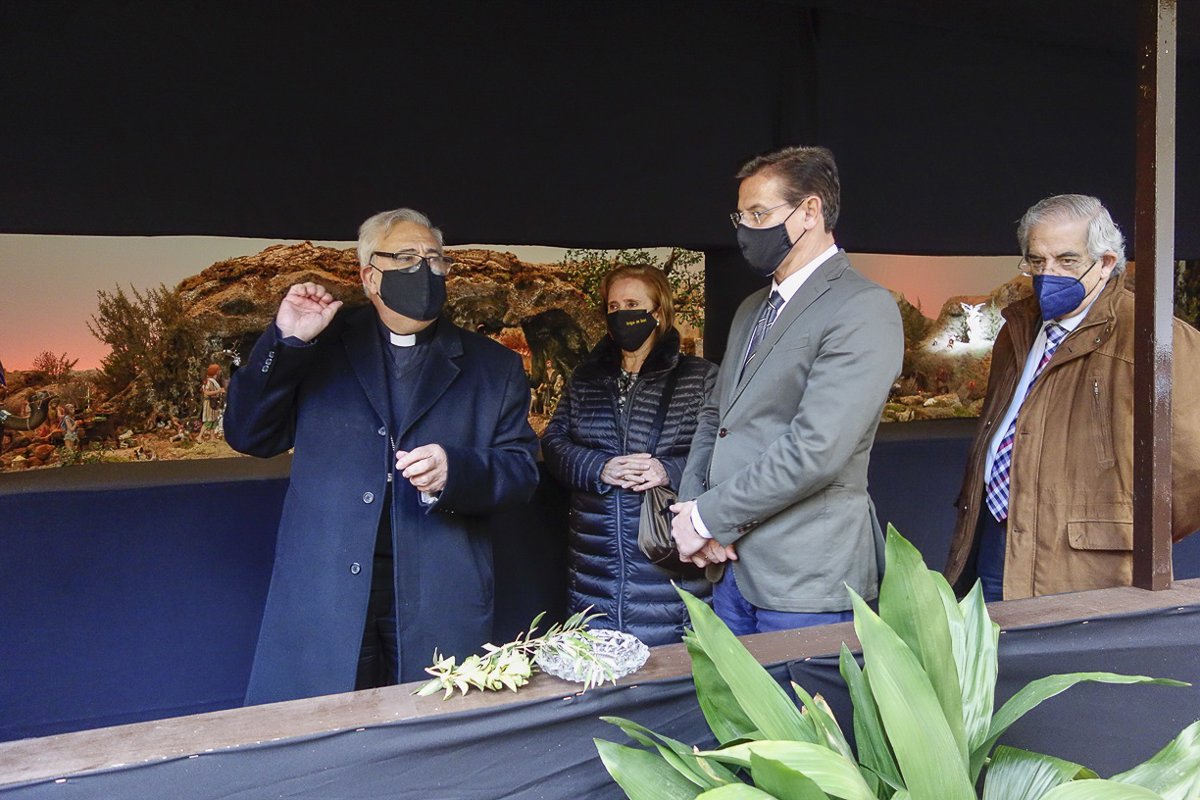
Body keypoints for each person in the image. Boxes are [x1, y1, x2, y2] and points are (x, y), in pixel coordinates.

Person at [224, 208, 539, 705]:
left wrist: (455, 472)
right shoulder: (319, 345)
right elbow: (248, 435)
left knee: (433, 733)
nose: (425, 269)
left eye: (434, 259)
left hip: (438, 590)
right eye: (408, 257)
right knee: (323, 730)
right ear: (370, 276)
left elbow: (521, 472)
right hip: (326, 588)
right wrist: (285, 342)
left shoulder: (493, 366)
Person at [671, 145, 903, 634]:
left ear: (810, 211)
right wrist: (694, 512)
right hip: (729, 568)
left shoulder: (862, 307)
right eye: (741, 217)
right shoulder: (751, 308)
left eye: (759, 214)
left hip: (805, 578)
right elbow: (715, 417)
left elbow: (815, 449)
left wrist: (707, 519)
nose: (745, 231)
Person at [945, 194, 1200, 601]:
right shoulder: (1017, 329)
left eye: (1067, 261)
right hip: (994, 539)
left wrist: (1122, 531)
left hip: (1082, 566)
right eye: (1036, 261)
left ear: (1106, 263)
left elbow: (1193, 467)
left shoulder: (1155, 338)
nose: (1049, 274)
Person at [542, 265, 718, 646]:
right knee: (600, 668)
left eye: (633, 304)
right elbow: (553, 443)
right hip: (594, 569)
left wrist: (667, 470)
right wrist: (600, 468)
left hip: (668, 565)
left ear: (659, 312)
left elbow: (725, 452)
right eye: (614, 306)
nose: (622, 314)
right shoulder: (586, 378)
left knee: (669, 669)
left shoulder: (699, 377)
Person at [198, 364, 224, 442]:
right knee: (209, 421)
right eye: (218, 370)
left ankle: (212, 437)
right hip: (209, 403)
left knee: (213, 420)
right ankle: (199, 436)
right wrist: (218, 391)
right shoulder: (209, 381)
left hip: (214, 403)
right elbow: (206, 392)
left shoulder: (214, 381)